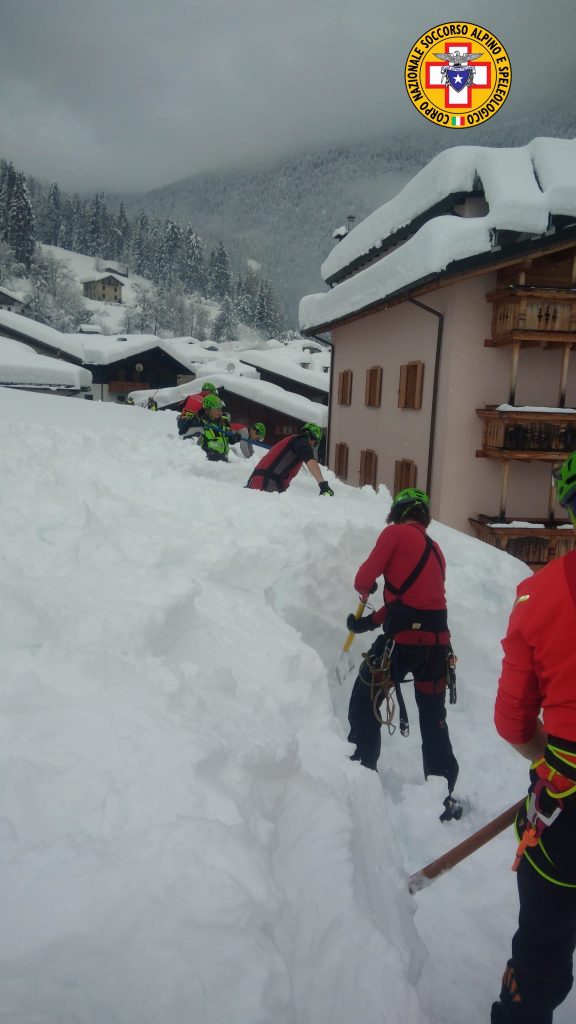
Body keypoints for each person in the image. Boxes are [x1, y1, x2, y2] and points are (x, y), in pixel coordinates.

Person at [491, 451, 576, 1024]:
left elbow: (514, 725)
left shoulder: (539, 598)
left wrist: (553, 757)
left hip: (566, 817)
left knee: (542, 950)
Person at [345, 487, 460, 821]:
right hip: (437, 648)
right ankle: (444, 797)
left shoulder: (394, 534)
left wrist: (367, 590)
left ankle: (360, 780)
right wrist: (368, 623)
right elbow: (414, 599)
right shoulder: (436, 550)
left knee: (364, 703)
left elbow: (363, 579)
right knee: (433, 719)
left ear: (399, 513)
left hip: (400, 645)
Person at [245, 422, 334, 495]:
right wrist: (323, 485)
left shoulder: (294, 441)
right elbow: (311, 461)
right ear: (313, 440)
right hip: (266, 484)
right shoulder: (301, 442)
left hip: (258, 481)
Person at [183, 394, 241, 462]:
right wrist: (187, 422)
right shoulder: (202, 423)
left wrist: (234, 438)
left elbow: (230, 439)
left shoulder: (224, 421)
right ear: (208, 410)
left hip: (224, 459)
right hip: (209, 461)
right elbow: (184, 433)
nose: (219, 412)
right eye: (216, 409)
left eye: (220, 409)